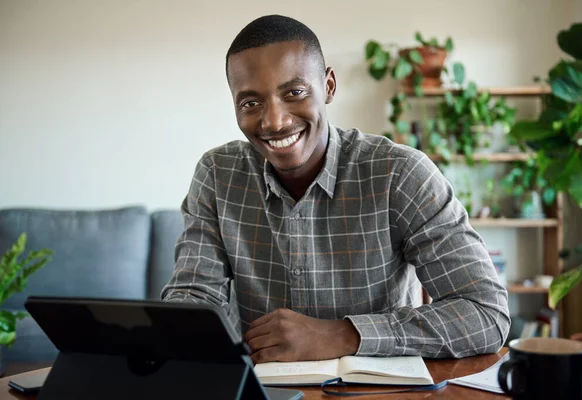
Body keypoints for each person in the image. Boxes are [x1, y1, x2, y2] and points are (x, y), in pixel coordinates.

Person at [161, 14, 510, 364]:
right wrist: (171, 329)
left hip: (377, 390)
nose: (274, 121)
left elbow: (485, 315)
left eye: (294, 92)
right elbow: (196, 296)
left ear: (328, 86)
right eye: (251, 103)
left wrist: (343, 334)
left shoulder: (399, 174)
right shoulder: (217, 174)